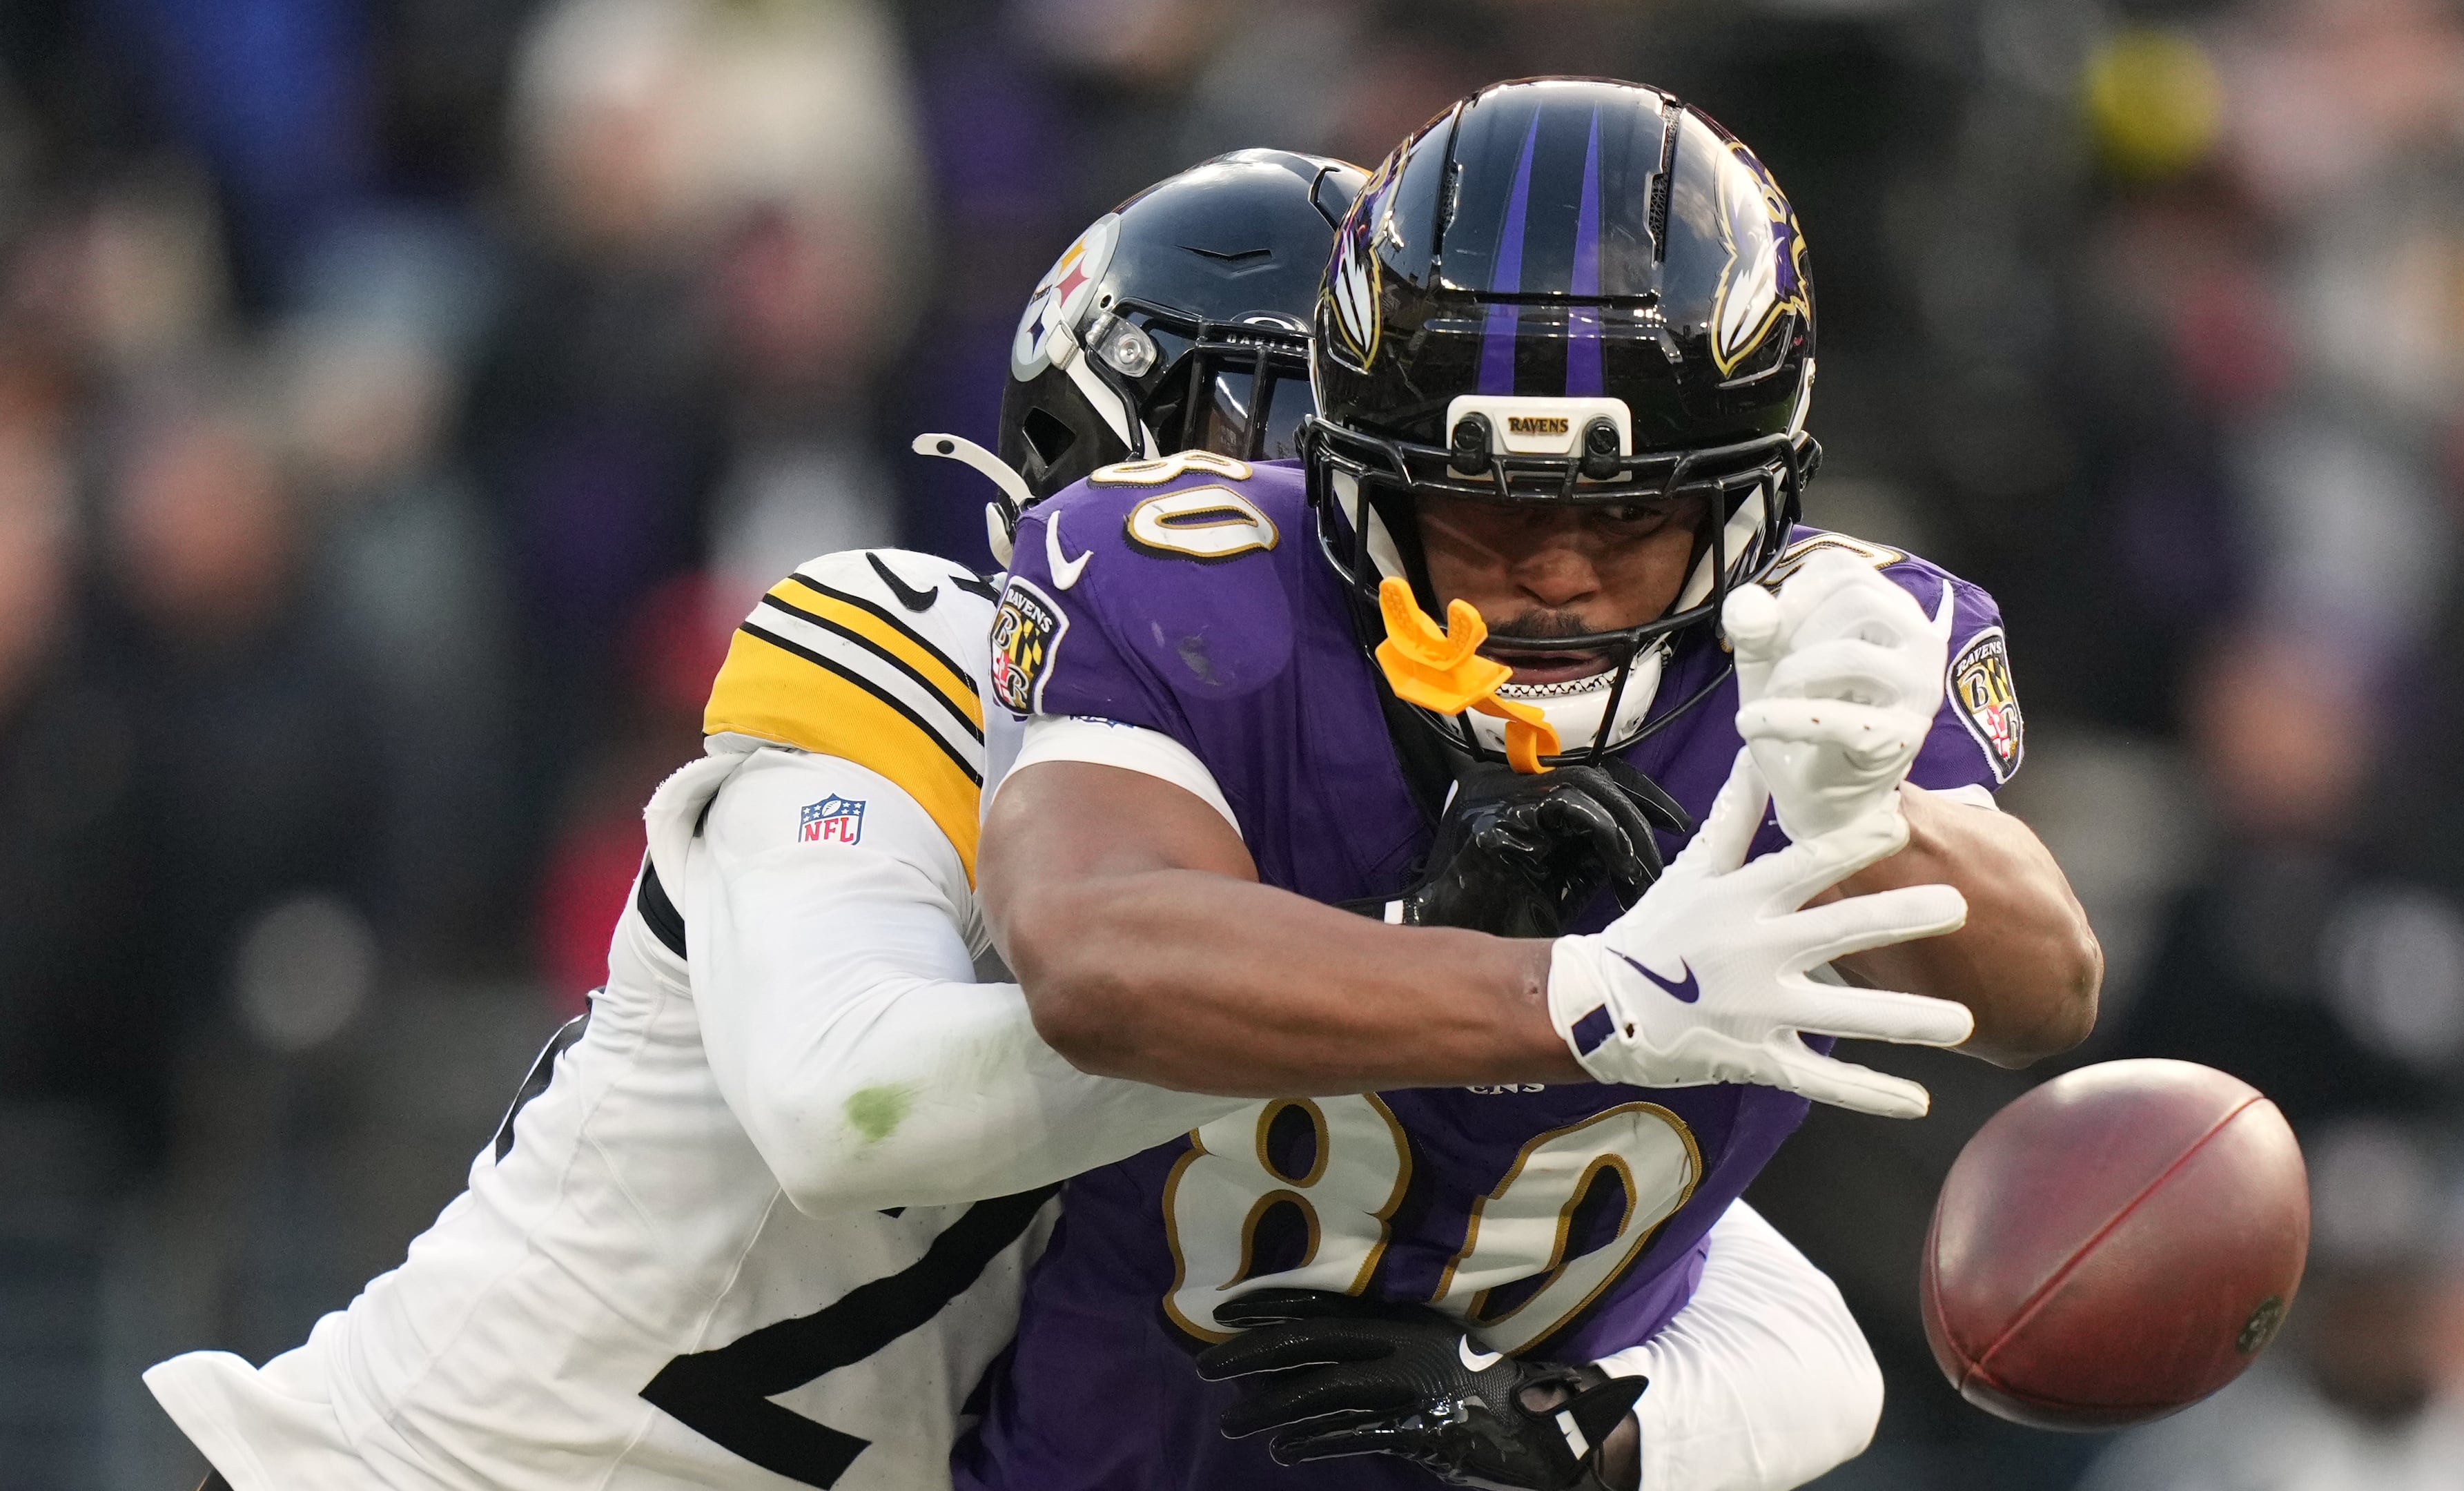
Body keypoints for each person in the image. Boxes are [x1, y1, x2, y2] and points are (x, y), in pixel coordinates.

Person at [141, 150, 1892, 1491]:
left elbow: (1777, 1312)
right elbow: (853, 1103)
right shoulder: (914, 653)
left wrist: (1593, 1424)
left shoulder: (1373, 821)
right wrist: (1423, 979)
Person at [966, 79, 2104, 1491]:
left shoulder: (1835, 649)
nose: (1561, 571)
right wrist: (1587, 997)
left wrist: (1869, 805)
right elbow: (1089, 951)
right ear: (1366, 477)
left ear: (1745, 495)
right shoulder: (1189, 589)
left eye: (1629, 512)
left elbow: (2045, 994)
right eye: (1491, 505)